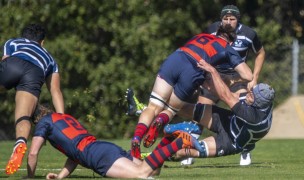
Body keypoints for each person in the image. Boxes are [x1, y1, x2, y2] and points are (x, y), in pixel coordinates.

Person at [127, 4, 266, 165]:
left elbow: (257, 55)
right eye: (225, 18)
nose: (228, 21)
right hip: (204, 72)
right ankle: (170, 131)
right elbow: (247, 74)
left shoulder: (207, 35)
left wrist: (244, 79)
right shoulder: (226, 47)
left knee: (155, 106)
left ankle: (137, 135)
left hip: (177, 58)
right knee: (175, 110)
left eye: (232, 19)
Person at [26, 104, 200, 179]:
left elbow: (33, 152)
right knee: (153, 172)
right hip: (102, 148)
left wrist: (30, 177)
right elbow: (74, 154)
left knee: (141, 174)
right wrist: (60, 177)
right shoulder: (62, 117)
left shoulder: (43, 123)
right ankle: (168, 140)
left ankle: (177, 143)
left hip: (96, 156)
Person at [164, 59, 274, 164]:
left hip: (230, 141)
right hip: (229, 121)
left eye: (251, 95)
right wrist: (207, 86)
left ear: (257, 103)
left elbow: (225, 96)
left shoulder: (253, 117)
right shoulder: (261, 101)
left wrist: (213, 71)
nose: (248, 93)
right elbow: (233, 95)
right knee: (181, 107)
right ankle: (154, 110)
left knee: (181, 152)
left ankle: (155, 157)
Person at [1, 24, 65, 175]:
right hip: (35, 73)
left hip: (14, 63)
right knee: (23, 116)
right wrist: (62, 119)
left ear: (24, 36)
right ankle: (20, 142)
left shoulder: (13, 42)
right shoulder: (50, 58)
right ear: (42, 42)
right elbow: (55, 91)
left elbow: (5, 63)